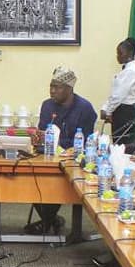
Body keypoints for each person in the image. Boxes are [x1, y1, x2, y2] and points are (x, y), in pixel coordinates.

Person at [27, 66, 97, 235]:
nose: (52, 91)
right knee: (31, 178)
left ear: (69, 89)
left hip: (74, 161)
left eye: (56, 87)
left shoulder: (85, 108)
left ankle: (48, 221)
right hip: (48, 157)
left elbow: (85, 141)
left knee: (55, 184)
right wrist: (37, 137)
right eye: (51, 86)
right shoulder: (47, 106)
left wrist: (59, 144)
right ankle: (51, 220)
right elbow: (43, 133)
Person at [100, 38, 135, 143]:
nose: (118, 57)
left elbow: (119, 96)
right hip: (119, 110)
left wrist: (108, 111)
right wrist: (105, 107)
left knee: (121, 144)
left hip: (124, 112)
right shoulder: (126, 70)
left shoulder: (131, 71)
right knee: (116, 142)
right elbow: (114, 93)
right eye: (117, 53)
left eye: (120, 53)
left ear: (130, 53)